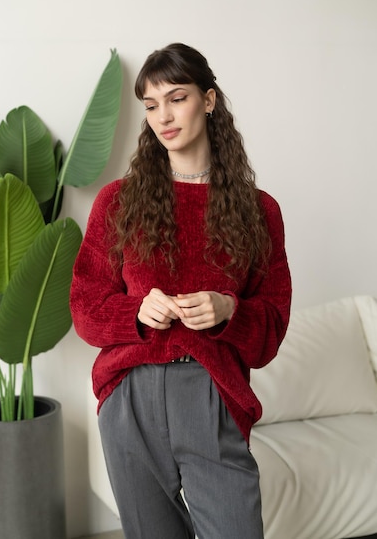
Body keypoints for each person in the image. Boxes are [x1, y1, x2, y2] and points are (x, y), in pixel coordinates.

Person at [70, 43, 292, 539]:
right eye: (151, 106)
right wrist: (136, 311)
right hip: (131, 394)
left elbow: (271, 329)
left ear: (208, 100)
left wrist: (229, 308)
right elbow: (84, 307)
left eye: (176, 98)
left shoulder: (260, 212)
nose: (163, 117)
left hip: (211, 391)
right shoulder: (118, 202)